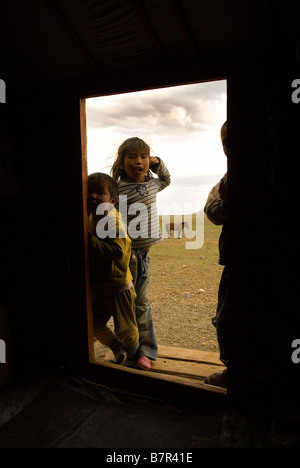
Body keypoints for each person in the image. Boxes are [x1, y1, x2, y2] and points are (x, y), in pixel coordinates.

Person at [111, 137, 171, 370]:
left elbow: (166, 178)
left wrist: (159, 165)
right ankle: (131, 348)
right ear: (122, 162)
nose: (139, 161)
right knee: (125, 303)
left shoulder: (152, 184)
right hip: (124, 255)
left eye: (144, 156)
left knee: (141, 303)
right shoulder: (117, 187)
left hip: (143, 256)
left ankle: (145, 351)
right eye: (132, 156)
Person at [87, 172, 139, 364]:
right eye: (89, 192)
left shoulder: (112, 222)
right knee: (93, 324)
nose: (93, 196)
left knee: (126, 328)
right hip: (102, 286)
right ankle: (117, 347)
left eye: (100, 193)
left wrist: (89, 240)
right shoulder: (93, 217)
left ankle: (134, 356)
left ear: (113, 201)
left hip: (118, 287)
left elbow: (118, 251)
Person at [204, 121, 229, 388]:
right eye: (224, 141)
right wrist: (227, 203)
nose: (228, 146)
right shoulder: (227, 179)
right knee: (227, 318)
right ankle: (234, 369)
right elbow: (212, 211)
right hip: (236, 261)